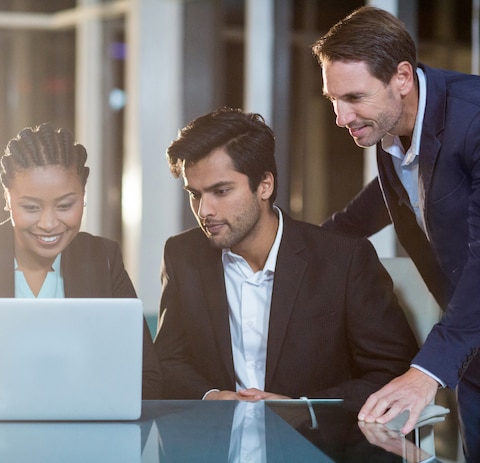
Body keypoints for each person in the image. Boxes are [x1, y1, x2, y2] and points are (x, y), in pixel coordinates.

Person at [311, 6, 480, 461]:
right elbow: (362, 216)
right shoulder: (391, 127)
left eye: (353, 97)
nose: (340, 116)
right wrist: (287, 248)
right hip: (474, 351)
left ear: (403, 78)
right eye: (333, 99)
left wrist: (425, 372)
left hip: (459, 343)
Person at [153, 107, 418, 408]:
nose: (204, 211)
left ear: (264, 185)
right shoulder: (182, 255)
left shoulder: (343, 260)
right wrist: (210, 397)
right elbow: (167, 361)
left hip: (316, 445)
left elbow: (394, 371)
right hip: (217, 444)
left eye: (221, 191)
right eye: (195, 194)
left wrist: (301, 408)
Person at [0, 123, 162, 400]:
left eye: (65, 205)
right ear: (7, 199)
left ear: (83, 197)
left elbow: (148, 381)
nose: (48, 224)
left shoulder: (104, 259)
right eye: (30, 207)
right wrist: (13, 392)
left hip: (81, 438)